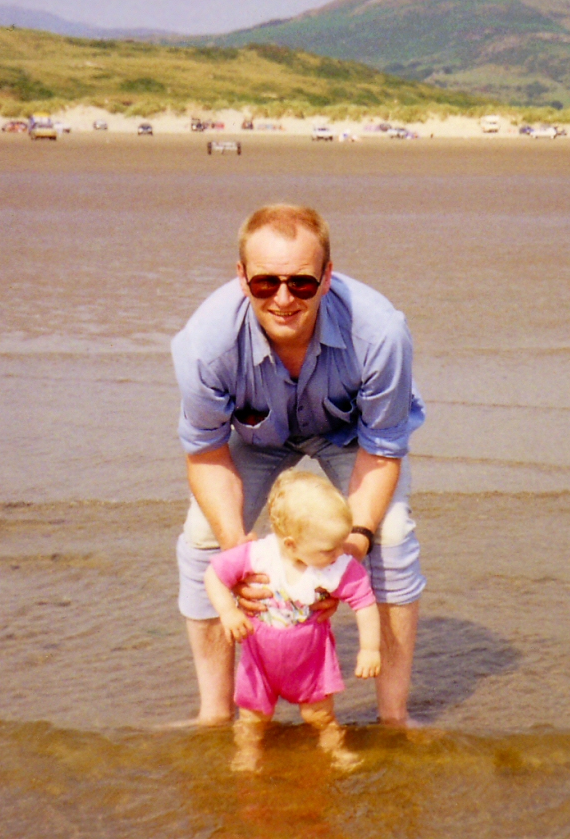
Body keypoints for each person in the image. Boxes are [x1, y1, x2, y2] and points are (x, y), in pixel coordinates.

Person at [171, 202, 426, 727]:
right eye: (266, 283)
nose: (284, 299)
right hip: (256, 439)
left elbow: (382, 450)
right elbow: (206, 453)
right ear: (242, 278)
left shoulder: (380, 333)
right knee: (200, 539)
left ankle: (395, 718)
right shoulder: (204, 345)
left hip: (347, 435)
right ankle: (214, 714)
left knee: (394, 536)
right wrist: (235, 547)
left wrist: (349, 551)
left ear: (327, 277)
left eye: (302, 284)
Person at [205, 470, 380, 771]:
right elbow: (214, 575)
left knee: (320, 716)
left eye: (341, 543)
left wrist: (370, 649)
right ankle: (248, 754)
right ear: (290, 545)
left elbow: (364, 600)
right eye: (329, 548)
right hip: (260, 659)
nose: (341, 553)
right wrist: (229, 612)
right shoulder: (258, 556)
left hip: (310, 660)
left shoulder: (334, 566)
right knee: (252, 717)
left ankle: (335, 751)